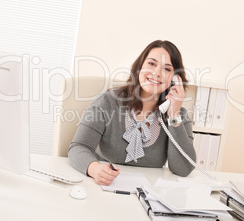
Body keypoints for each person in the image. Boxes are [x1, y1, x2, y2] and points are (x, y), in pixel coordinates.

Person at [68, 40, 196, 185]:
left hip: (148, 194)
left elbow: (183, 169)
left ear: (175, 79)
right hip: (103, 187)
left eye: (167, 69)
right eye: (152, 64)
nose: (156, 73)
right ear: (139, 66)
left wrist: (174, 116)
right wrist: (95, 169)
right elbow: (78, 147)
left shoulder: (178, 115)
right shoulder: (108, 102)